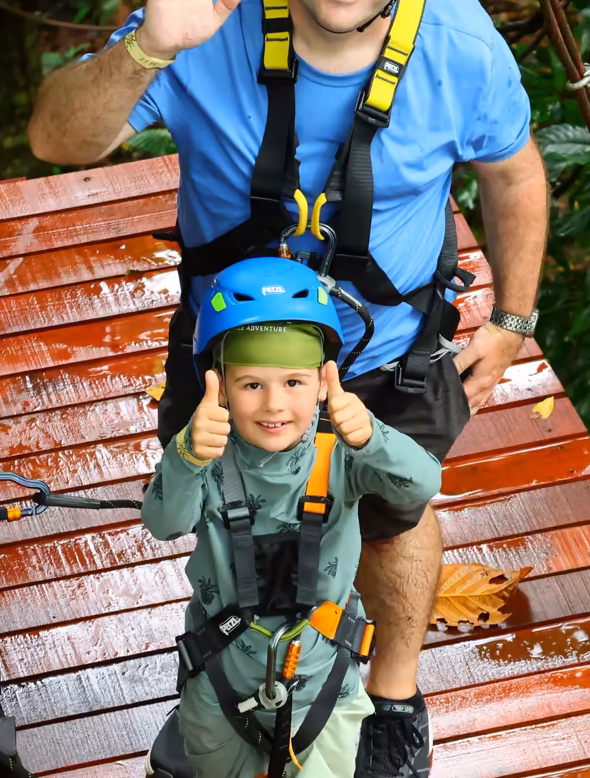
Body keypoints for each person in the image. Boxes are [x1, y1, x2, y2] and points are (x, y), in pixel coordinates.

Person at [28, 0, 548, 777]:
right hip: (235, 350)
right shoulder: (212, 11)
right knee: (227, 511)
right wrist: (149, 48)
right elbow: (56, 139)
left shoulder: (459, 40)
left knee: (388, 514)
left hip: (384, 346)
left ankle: (390, 699)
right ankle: (232, 668)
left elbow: (512, 172)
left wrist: (513, 318)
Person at [141, 257, 442, 778]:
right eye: (251, 385)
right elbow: (163, 522)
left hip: (323, 684)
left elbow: (421, 484)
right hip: (221, 679)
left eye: (295, 383)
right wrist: (186, 456)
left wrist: (372, 437)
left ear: (325, 380)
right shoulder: (207, 457)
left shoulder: (341, 455)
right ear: (220, 383)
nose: (274, 405)